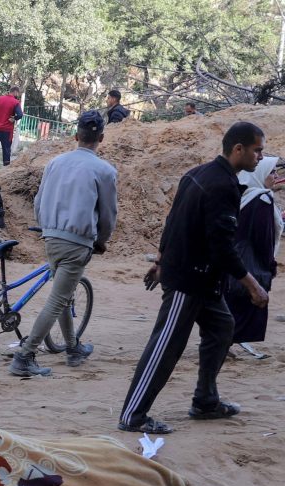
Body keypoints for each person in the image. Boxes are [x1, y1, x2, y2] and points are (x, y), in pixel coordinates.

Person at [118, 122, 270, 435]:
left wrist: (160, 260)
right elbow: (222, 247)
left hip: (204, 280)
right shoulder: (221, 185)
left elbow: (172, 221)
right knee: (166, 345)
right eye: (257, 150)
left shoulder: (198, 174)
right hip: (188, 279)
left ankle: (205, 401)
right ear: (238, 149)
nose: (260, 157)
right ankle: (133, 414)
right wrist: (252, 284)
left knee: (222, 327)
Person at [9, 110, 117, 377]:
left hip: (51, 237)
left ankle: (72, 347)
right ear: (101, 138)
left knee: (64, 294)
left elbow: (38, 201)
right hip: (77, 242)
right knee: (58, 300)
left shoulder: (55, 163)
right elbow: (107, 214)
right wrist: (101, 240)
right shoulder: (105, 171)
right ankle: (25, 355)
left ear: (76, 136)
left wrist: (47, 228)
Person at [224, 154, 282, 351]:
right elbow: (263, 238)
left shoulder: (243, 194)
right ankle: (222, 345)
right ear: (261, 173)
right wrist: (270, 264)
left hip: (233, 262)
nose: (275, 176)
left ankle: (222, 343)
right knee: (246, 308)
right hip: (253, 264)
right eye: (271, 172)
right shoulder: (262, 198)